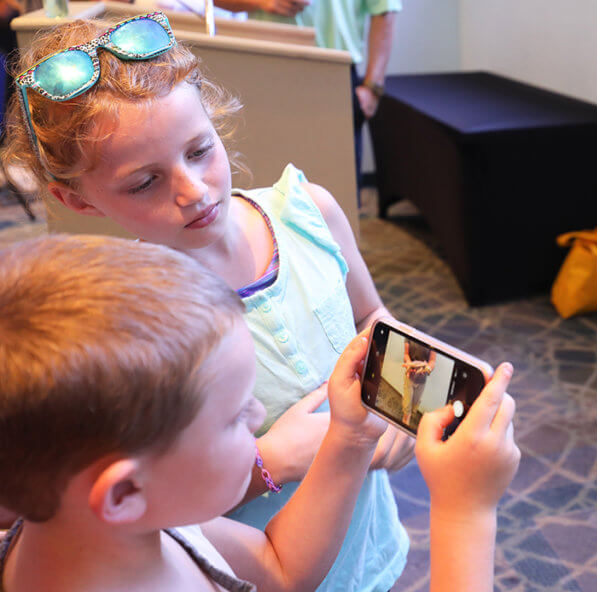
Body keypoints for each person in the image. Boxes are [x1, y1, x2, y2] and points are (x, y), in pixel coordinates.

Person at [2, 13, 409, 591]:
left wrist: (405, 394)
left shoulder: (309, 211)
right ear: (79, 200)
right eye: (144, 182)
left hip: (371, 541)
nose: (192, 190)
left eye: (199, 149)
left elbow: (369, 317)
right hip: (265, 561)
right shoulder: (130, 321)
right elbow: (149, 504)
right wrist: (269, 460)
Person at [0, 234, 521, 592]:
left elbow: (279, 569)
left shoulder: (129, 529)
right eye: (232, 418)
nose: (257, 414)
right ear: (124, 491)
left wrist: (349, 438)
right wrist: (464, 512)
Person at [212, 0, 399, 190]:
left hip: (336, 73)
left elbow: (385, 9)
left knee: (338, 186)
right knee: (266, 180)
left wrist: (373, 87)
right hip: (266, 69)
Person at [401, 340, 436, 424]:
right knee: (407, 407)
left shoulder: (433, 340)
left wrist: (427, 369)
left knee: (415, 404)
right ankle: (406, 418)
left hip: (422, 379)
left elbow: (432, 360)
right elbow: (406, 354)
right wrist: (409, 364)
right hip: (410, 376)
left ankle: (410, 413)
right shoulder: (409, 333)